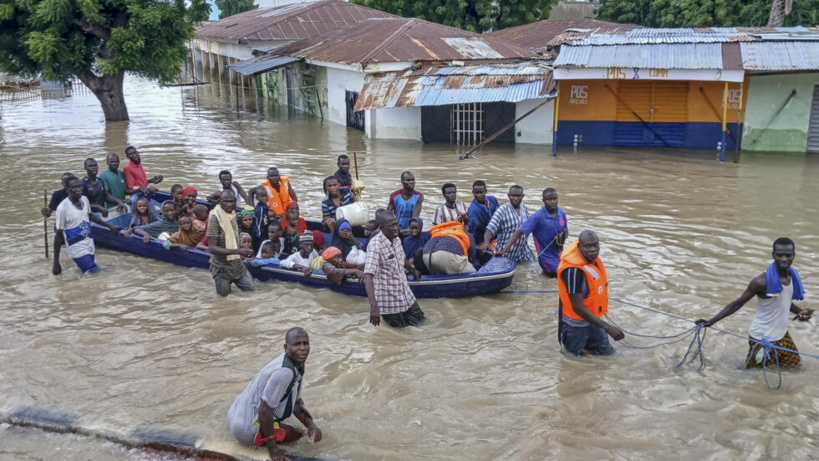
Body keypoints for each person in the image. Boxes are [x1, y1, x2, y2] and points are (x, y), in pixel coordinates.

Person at [696, 238, 813, 368]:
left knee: (795, 367)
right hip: (763, 339)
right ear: (773, 255)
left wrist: (799, 311)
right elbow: (738, 303)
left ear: (794, 255)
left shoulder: (792, 275)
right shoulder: (762, 282)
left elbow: (783, 301)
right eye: (779, 255)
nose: (784, 259)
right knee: (752, 374)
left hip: (782, 335)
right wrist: (711, 321)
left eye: (788, 255)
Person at [227, 327, 322, 461]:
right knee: (298, 435)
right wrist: (274, 450)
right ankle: (261, 441)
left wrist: (311, 425)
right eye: (297, 344)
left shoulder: (296, 362)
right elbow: (264, 411)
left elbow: (295, 402)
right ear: (286, 347)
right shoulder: (285, 372)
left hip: (235, 414)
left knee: (303, 429)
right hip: (245, 429)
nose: (303, 348)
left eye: (305, 343)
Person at [557, 230, 624, 356]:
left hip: (593, 320)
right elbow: (577, 307)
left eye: (595, 245)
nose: (593, 250)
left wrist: (603, 325)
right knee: (573, 361)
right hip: (575, 326)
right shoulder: (573, 271)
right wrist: (608, 327)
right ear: (579, 246)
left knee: (609, 355)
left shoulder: (592, 261)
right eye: (588, 246)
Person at [364, 211, 425, 328]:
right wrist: (374, 307)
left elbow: (402, 259)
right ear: (381, 228)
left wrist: (412, 269)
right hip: (389, 303)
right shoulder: (375, 246)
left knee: (423, 324)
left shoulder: (396, 239)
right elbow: (368, 276)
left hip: (406, 295)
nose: (396, 228)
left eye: (396, 224)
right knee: (400, 336)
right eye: (391, 226)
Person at [52, 178, 121, 275]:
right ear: (67, 190)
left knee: (88, 273)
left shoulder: (84, 199)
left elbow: (90, 216)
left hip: (88, 241)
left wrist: (110, 226)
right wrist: (56, 263)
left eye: (80, 186)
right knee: (96, 273)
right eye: (74, 188)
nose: (79, 189)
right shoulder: (63, 208)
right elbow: (58, 236)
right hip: (76, 246)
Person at [496, 188, 567, 277]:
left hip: (560, 254)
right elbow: (518, 232)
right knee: (560, 276)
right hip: (546, 258)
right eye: (549, 199)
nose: (552, 202)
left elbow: (565, 231)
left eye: (554, 199)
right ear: (544, 201)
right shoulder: (537, 217)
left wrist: (562, 237)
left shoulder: (562, 214)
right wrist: (504, 250)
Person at [208, 190, 256, 296]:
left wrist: (243, 250)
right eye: (225, 201)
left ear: (235, 202)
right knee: (223, 299)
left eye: (231, 201)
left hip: (237, 265)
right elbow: (212, 248)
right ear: (220, 201)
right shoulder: (214, 219)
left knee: (253, 292)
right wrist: (238, 251)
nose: (229, 204)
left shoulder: (232, 214)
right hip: (221, 267)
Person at [483, 185, 534, 263]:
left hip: (523, 252)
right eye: (513, 196)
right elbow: (490, 229)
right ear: (508, 195)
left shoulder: (524, 208)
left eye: (518, 196)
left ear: (522, 196)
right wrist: (486, 243)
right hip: (505, 252)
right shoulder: (502, 211)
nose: (516, 198)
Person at [466, 180, 499, 247]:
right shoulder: (473, 210)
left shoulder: (492, 200)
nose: (479, 195)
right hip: (482, 239)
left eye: (481, 192)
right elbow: (472, 231)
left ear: (485, 191)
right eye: (476, 193)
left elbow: (499, 215)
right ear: (473, 193)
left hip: (496, 234)